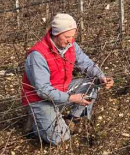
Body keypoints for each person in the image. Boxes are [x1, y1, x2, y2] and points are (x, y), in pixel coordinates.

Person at [21, 13, 114, 145]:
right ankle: (36, 125)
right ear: (56, 33)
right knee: (60, 138)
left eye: (72, 36)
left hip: (62, 89)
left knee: (93, 82)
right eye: (66, 37)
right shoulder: (38, 55)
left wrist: (101, 76)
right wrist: (71, 98)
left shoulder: (71, 45)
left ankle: (73, 119)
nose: (70, 40)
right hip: (40, 99)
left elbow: (86, 63)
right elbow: (43, 90)